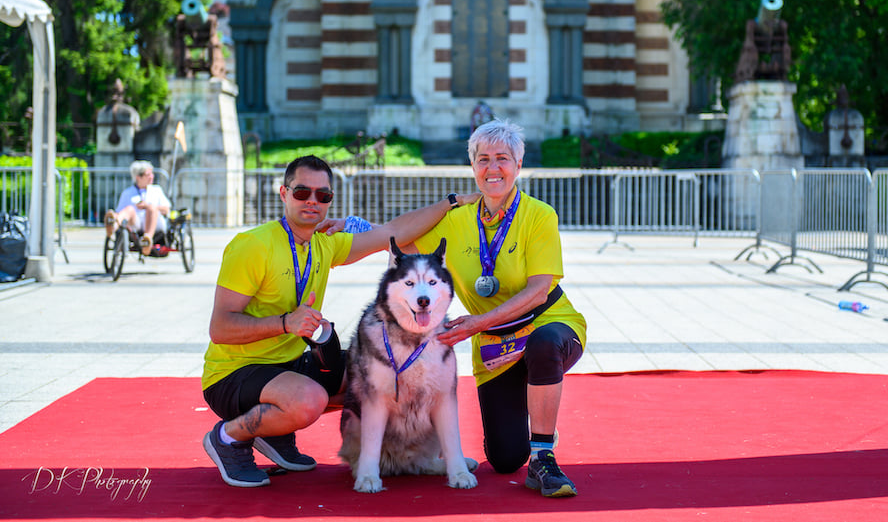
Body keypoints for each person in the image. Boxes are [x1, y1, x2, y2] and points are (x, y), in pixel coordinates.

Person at [201, 154, 477, 488]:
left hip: (286, 365)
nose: (313, 202)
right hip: (232, 374)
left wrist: (453, 201)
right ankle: (229, 438)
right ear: (283, 193)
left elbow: (393, 231)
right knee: (309, 401)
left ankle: (276, 431)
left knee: (376, 375)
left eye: (323, 195)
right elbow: (220, 329)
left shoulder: (324, 244)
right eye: (302, 193)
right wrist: (286, 322)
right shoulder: (252, 246)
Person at [408, 120, 587, 498]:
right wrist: (349, 228)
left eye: (502, 159)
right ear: (472, 167)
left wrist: (476, 323)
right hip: (495, 347)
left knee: (543, 345)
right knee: (505, 459)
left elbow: (540, 291)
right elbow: (396, 238)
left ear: (518, 165)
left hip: (549, 322)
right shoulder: (455, 221)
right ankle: (535, 421)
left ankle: (543, 457)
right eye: (483, 159)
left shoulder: (539, 214)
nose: (493, 169)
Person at [104, 160, 171, 256]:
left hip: (155, 224)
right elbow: (121, 211)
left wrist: (147, 206)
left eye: (151, 174)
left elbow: (166, 209)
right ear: (138, 177)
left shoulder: (156, 190)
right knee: (129, 209)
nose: (152, 177)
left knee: (151, 208)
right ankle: (113, 225)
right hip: (136, 224)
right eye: (148, 175)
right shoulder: (128, 193)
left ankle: (147, 239)